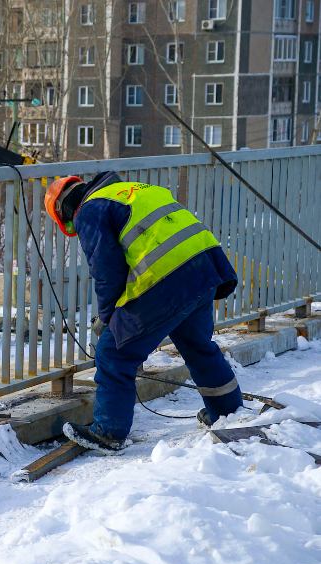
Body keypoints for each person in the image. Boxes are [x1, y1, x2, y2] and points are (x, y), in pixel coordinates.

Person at [44, 172, 243, 452]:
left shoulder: (89, 210)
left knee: (113, 353)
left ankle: (108, 433)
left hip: (169, 277)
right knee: (199, 347)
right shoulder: (133, 190)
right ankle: (228, 412)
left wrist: (108, 320)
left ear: (65, 216)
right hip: (205, 266)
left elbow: (107, 272)